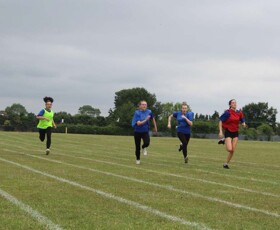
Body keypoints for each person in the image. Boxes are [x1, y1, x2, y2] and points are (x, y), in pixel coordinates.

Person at [219, 99, 246, 169]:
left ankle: (226, 164)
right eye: (233, 103)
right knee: (229, 149)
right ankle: (224, 140)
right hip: (228, 131)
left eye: (235, 102)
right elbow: (220, 121)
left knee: (233, 150)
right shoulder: (227, 112)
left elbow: (242, 119)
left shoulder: (239, 112)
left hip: (235, 132)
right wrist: (221, 131)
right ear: (230, 105)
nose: (234, 104)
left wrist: (243, 123)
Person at [131, 100, 157, 165]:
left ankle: (144, 147)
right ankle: (138, 159)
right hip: (137, 131)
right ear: (139, 106)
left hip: (145, 131)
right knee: (137, 146)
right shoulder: (137, 113)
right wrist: (146, 120)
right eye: (142, 104)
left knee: (147, 143)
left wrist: (155, 128)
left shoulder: (149, 111)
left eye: (145, 104)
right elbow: (139, 123)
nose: (144, 105)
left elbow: (153, 118)